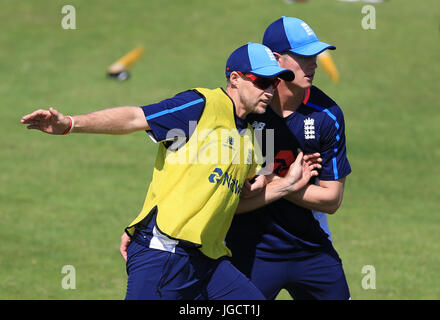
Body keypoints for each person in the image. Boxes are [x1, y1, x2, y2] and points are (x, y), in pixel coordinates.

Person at [22, 42, 320, 300]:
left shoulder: (254, 136)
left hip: (210, 260)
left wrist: (285, 185)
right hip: (164, 252)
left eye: (273, 83)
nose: (269, 90)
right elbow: (134, 117)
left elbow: (238, 199)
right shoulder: (200, 105)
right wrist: (70, 124)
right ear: (235, 79)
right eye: (261, 81)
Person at [225, 17, 352, 300]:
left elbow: (331, 200)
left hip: (311, 251)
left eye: (314, 56)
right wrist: (291, 181)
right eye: (303, 56)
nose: (314, 64)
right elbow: (224, 195)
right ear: (277, 59)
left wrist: (274, 180)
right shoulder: (244, 109)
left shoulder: (327, 115)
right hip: (248, 251)